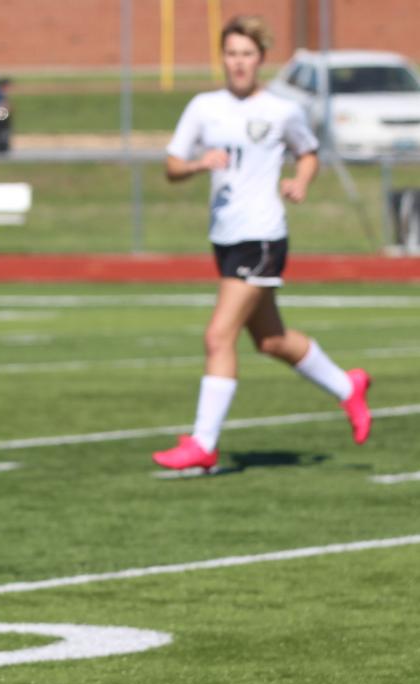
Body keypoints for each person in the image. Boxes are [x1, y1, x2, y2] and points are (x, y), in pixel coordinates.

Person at [151, 14, 370, 472]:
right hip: (225, 237)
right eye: (231, 54)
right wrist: (196, 164)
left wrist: (301, 181)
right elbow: (171, 165)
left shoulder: (281, 109)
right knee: (270, 340)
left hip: (263, 235)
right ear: (222, 57)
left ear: (261, 59)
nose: (239, 63)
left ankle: (204, 442)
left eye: (247, 54)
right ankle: (348, 387)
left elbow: (308, 152)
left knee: (218, 335)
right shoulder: (203, 106)